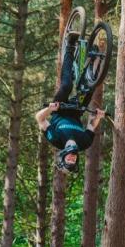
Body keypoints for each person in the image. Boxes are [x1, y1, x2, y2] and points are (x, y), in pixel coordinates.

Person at [35, 31, 106, 174]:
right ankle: (94, 59)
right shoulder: (84, 143)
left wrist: (50, 109)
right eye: (74, 161)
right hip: (76, 110)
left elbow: (39, 119)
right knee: (89, 88)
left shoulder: (56, 139)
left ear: (63, 156)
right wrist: (98, 116)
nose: (72, 158)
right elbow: (91, 125)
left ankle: (70, 45)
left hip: (59, 109)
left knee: (66, 85)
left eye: (69, 160)